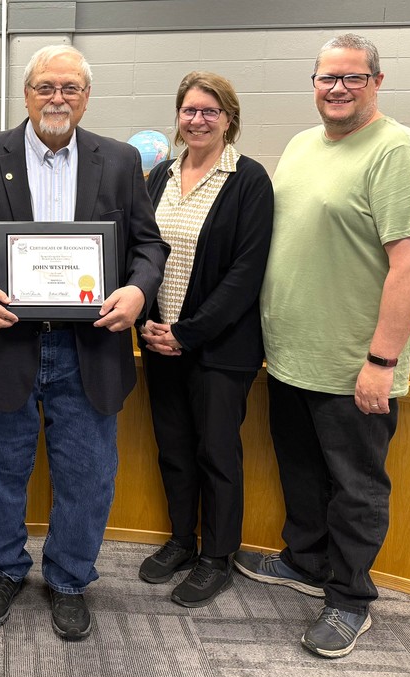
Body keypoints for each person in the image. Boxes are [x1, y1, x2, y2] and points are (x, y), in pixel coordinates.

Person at [0, 44, 169, 641]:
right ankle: (5, 569)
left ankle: (69, 577)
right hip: (5, 341)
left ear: (87, 97)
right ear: (26, 94)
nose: (57, 98)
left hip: (90, 347)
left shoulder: (118, 161)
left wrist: (140, 292)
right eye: (45, 87)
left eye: (69, 88)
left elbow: (149, 247)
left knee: (88, 474)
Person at [234, 33, 410, 658]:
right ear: (314, 84)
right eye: (328, 78)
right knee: (300, 470)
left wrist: (380, 361)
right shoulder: (302, 145)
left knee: (356, 487)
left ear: (375, 82)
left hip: (355, 365)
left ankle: (350, 598)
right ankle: (306, 561)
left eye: (352, 77)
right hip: (293, 355)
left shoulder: (397, 150)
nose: (338, 88)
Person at [137, 72, 273, 607]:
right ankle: (180, 542)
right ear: (178, 117)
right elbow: (142, 250)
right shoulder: (158, 178)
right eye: (189, 110)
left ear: (229, 119)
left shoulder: (249, 181)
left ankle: (216, 557)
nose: (197, 120)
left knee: (216, 452)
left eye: (209, 112)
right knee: (174, 449)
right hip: (159, 338)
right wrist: (148, 322)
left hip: (219, 349)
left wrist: (187, 334)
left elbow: (246, 273)